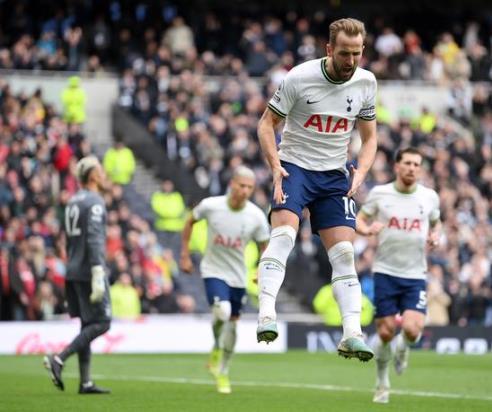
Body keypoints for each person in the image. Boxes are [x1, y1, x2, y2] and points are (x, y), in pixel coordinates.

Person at [256, 17, 378, 362]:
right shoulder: (299, 78)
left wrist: (362, 173)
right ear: (329, 49)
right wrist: (275, 165)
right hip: (294, 166)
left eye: (356, 54)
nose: (350, 61)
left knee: (345, 255)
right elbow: (266, 125)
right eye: (344, 54)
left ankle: (352, 334)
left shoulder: (366, 83)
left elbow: (370, 138)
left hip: (334, 175)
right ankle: (266, 315)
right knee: (283, 237)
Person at [356, 147, 442, 404]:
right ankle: (382, 383)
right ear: (397, 166)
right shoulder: (380, 194)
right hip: (385, 272)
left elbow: (437, 222)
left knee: (413, 330)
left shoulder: (429, 197)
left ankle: (403, 349)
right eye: (407, 163)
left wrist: (436, 235)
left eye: (416, 164)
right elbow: (359, 220)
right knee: (384, 333)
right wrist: (368, 229)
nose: (412, 168)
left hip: (415, 274)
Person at [180, 166, 270, 394]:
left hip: (238, 277)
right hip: (213, 270)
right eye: (242, 185)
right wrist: (184, 254)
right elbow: (190, 222)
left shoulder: (256, 216)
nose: (245, 190)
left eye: (250, 187)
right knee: (222, 310)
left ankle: (223, 370)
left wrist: (261, 268)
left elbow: (264, 246)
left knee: (233, 325)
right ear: (232, 184)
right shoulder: (211, 206)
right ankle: (217, 349)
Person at [44, 156, 112, 394]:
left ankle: (85, 382)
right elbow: (93, 237)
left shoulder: (73, 201)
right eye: (101, 172)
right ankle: (59, 359)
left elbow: (68, 237)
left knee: (87, 324)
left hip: (72, 268)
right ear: (92, 176)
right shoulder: (95, 202)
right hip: (88, 270)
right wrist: (97, 271)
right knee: (103, 322)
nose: (104, 176)